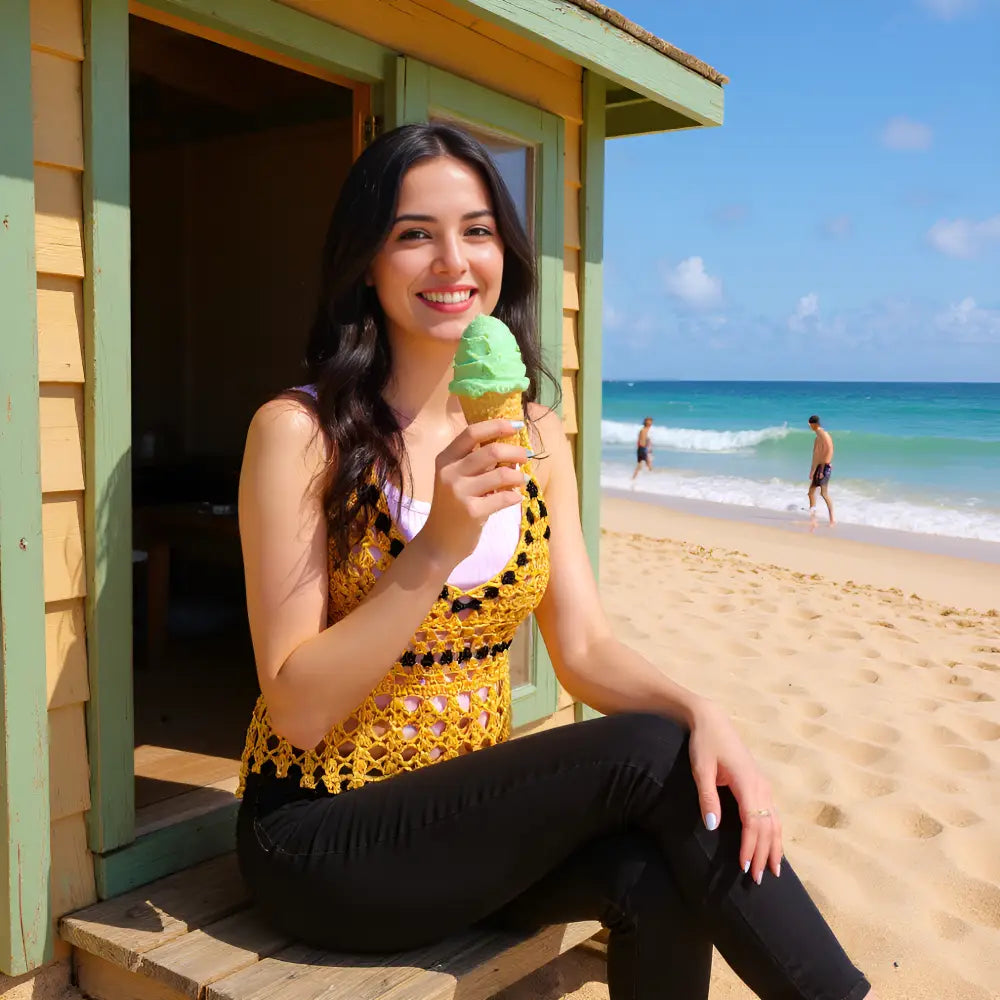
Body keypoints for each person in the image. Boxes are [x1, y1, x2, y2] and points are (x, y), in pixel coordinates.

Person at [234, 122, 876, 1000]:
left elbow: (582, 650)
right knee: (650, 754)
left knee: (660, 869)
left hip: (463, 824)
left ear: (506, 253)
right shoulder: (300, 434)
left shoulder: (535, 432)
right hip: (319, 838)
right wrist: (437, 548)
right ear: (367, 261)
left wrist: (702, 709)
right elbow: (297, 706)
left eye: (478, 230)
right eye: (414, 233)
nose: (452, 261)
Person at [807, 415, 835, 525]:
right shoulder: (817, 438)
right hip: (819, 467)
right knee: (810, 493)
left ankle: (832, 519)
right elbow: (815, 456)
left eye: (810, 425)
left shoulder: (824, 435)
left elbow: (830, 450)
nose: (809, 427)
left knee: (824, 494)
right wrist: (812, 471)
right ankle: (813, 517)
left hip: (825, 467)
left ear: (814, 424)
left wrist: (823, 468)